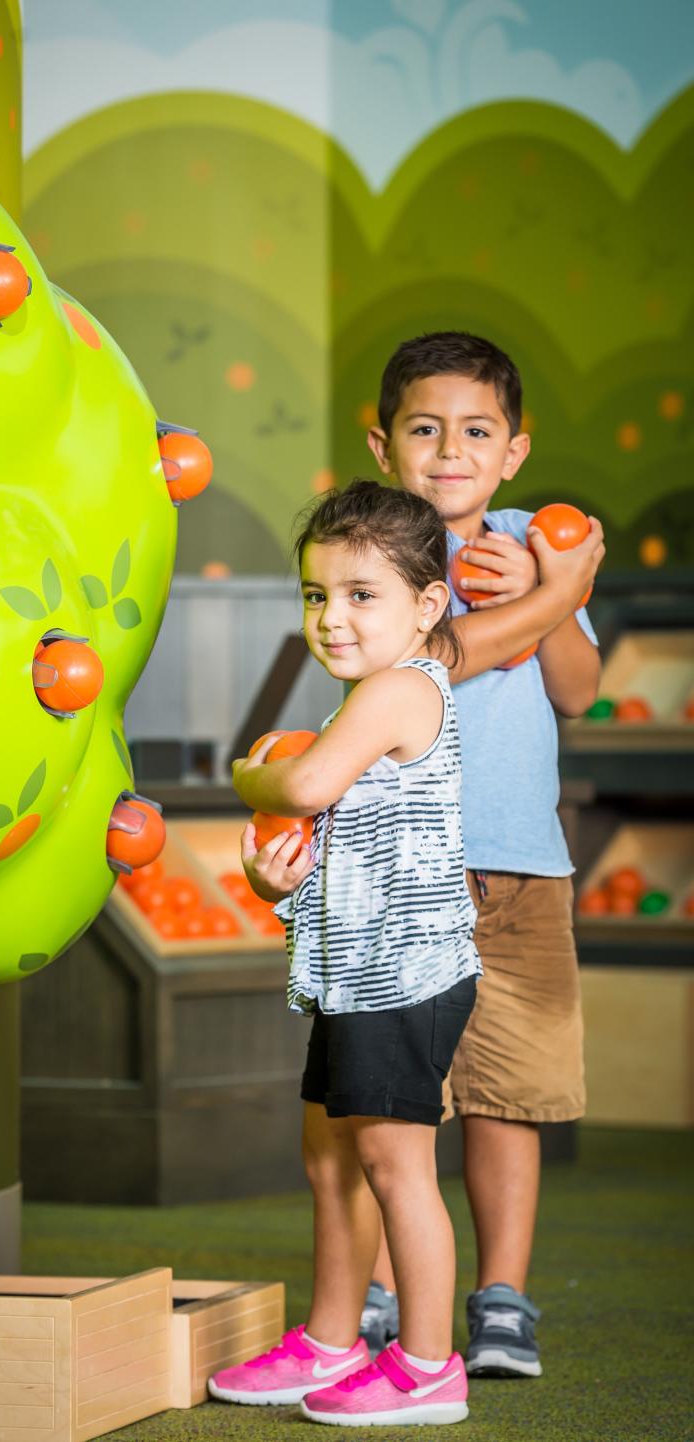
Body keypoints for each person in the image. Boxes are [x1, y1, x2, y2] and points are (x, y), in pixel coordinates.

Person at [358, 330, 605, 1377]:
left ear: (513, 450)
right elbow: (431, 662)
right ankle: (371, 1295)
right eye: (424, 427)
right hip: (405, 865)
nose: (449, 449)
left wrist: (547, 594)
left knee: (510, 1095)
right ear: (383, 444)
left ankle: (501, 1299)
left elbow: (579, 688)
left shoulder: (535, 537)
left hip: (523, 869)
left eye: (476, 430)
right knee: (392, 1096)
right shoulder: (368, 547)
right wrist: (531, 597)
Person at [209, 480, 481, 1427]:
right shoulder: (354, 703)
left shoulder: (400, 689)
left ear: (427, 605)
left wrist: (244, 771)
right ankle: (331, 1339)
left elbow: (307, 781)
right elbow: (315, 841)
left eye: (362, 594)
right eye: (317, 595)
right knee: (328, 1157)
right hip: (349, 973)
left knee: (395, 1164)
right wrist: (273, 881)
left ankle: (428, 1365)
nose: (332, 618)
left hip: (405, 975)